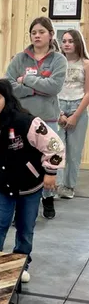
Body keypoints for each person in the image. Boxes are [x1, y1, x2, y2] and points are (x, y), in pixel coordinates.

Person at [0, 79, 65, 283]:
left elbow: (54, 144)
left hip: (29, 187)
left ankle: (21, 264)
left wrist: (50, 172)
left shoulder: (26, 121)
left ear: (7, 99)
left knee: (25, 228)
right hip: (1, 185)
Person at [6, 16, 67, 219]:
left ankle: (47, 199)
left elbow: (54, 87)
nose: (37, 35)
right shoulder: (20, 58)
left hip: (47, 120)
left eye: (41, 32)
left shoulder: (58, 59)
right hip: (22, 119)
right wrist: (35, 89)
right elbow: (9, 86)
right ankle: (19, 205)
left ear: (50, 35)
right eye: (33, 32)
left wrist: (28, 80)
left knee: (47, 161)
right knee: (20, 161)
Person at [56, 30, 89, 199]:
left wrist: (75, 116)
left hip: (78, 106)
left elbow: (88, 92)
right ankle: (56, 185)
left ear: (77, 43)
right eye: (64, 41)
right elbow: (52, 89)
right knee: (56, 148)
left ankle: (69, 186)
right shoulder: (57, 63)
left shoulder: (86, 64)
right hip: (59, 105)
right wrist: (59, 112)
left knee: (74, 151)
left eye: (70, 41)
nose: (67, 44)